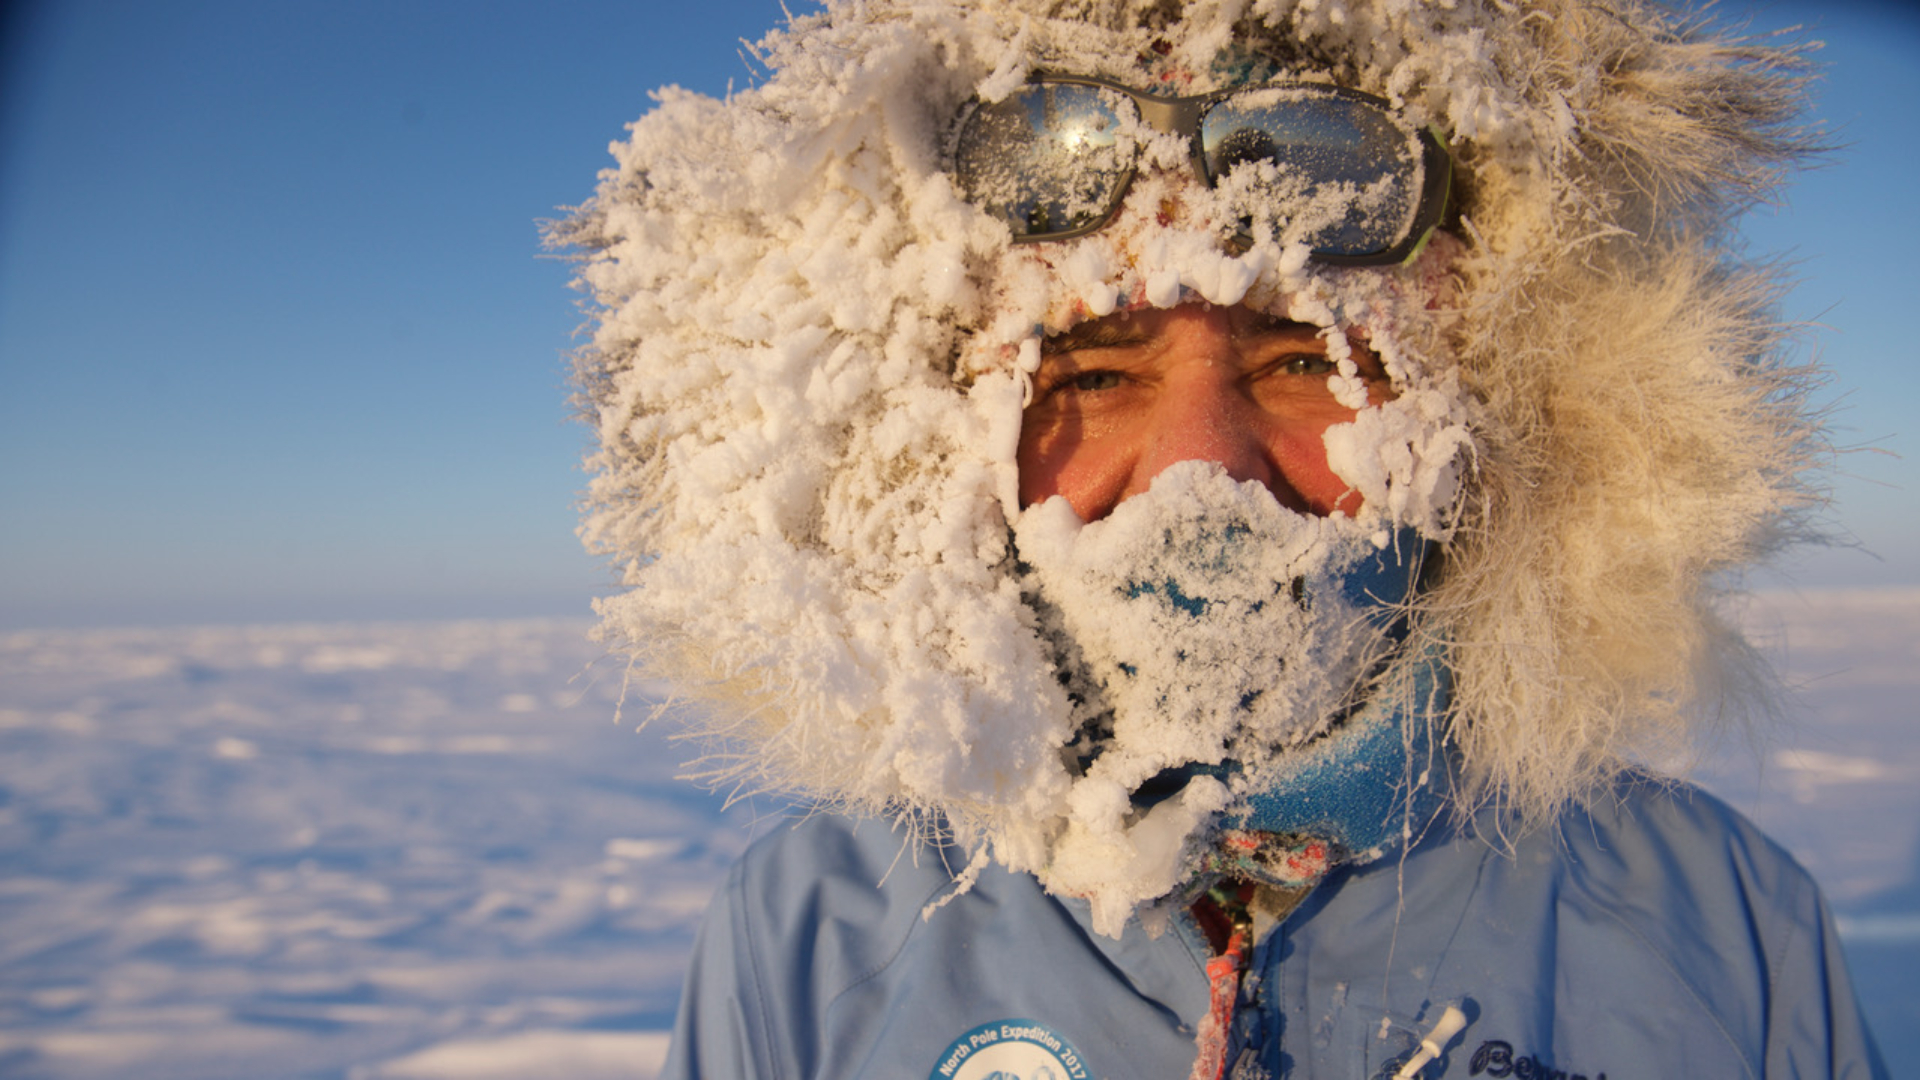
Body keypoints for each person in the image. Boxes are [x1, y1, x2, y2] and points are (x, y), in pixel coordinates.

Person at [552, 1, 1887, 1077]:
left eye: (1308, 364)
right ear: (949, 443)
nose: (1202, 469)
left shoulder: (1721, 932)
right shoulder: (815, 934)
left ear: (1494, 419)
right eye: (1091, 376)